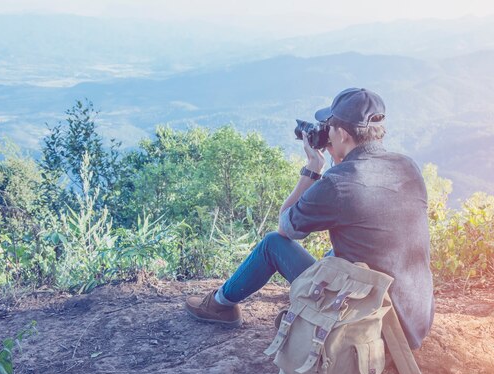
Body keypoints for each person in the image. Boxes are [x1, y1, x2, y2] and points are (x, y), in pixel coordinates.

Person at [185, 87, 434, 349]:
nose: (326, 131)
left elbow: (286, 228)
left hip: (371, 328)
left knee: (272, 245)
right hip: (414, 323)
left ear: (342, 133)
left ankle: (219, 305)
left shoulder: (338, 183)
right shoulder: (408, 166)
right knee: (334, 253)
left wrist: (313, 169)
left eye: (330, 125)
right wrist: (341, 158)